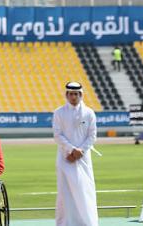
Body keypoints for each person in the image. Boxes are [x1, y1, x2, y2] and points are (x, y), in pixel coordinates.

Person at [53, 82, 98, 226]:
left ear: (81, 95)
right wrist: (72, 150)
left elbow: (92, 136)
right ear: (67, 95)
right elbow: (57, 135)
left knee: (85, 190)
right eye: (71, 94)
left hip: (83, 158)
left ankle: (87, 222)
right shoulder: (59, 112)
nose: (73, 97)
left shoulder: (89, 112)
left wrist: (81, 151)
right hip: (65, 157)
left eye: (76, 94)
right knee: (65, 192)